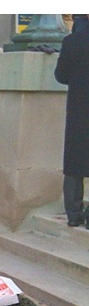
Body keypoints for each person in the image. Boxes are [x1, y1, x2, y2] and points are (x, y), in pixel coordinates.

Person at [54, 15, 89, 227]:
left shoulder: (71, 42)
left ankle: (74, 214)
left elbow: (61, 76)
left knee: (75, 161)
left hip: (79, 108)